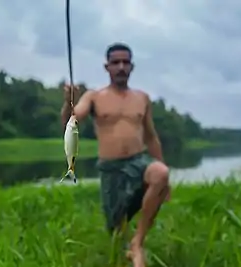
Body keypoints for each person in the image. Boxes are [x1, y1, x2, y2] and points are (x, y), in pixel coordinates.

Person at [61, 42, 171, 267]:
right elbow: (70, 122)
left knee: (160, 173)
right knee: (116, 230)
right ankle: (125, 249)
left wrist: (163, 173)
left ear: (132, 66)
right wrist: (67, 102)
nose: (121, 67)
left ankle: (137, 242)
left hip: (138, 161)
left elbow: (151, 136)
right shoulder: (94, 97)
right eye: (115, 62)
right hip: (111, 167)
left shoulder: (142, 98)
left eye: (125, 62)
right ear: (107, 67)